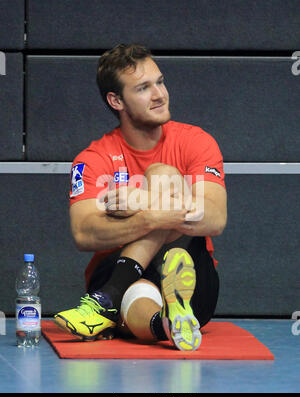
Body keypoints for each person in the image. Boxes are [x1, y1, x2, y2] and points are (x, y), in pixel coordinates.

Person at [54, 44, 227, 351]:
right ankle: (169, 322)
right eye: (144, 88)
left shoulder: (196, 142)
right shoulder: (93, 158)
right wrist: (154, 215)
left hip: (189, 262)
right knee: (141, 293)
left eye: (160, 82)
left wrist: (138, 200)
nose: (160, 94)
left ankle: (106, 300)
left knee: (163, 174)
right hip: (120, 265)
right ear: (116, 100)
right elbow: (83, 233)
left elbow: (215, 218)